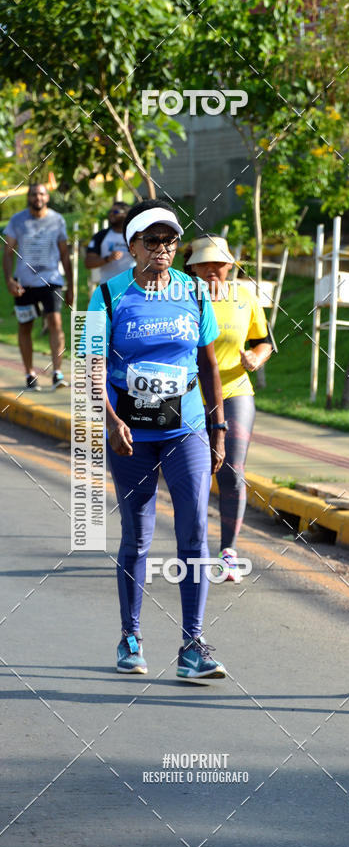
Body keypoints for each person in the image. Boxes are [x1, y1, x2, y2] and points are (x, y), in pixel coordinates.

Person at [86, 200, 228, 680]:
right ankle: (131, 637)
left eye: (170, 240)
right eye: (152, 241)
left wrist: (218, 428)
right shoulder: (107, 296)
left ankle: (193, 645)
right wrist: (110, 420)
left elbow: (208, 364)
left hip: (186, 427)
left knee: (195, 532)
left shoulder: (195, 291)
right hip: (131, 432)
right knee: (138, 535)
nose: (163, 249)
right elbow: (91, 368)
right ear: (132, 247)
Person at [186, 236, 273, 583]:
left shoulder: (245, 296)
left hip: (235, 391)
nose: (212, 270)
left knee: (232, 471)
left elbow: (264, 342)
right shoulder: (179, 296)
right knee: (192, 474)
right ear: (192, 266)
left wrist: (255, 357)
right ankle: (193, 549)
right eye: (204, 263)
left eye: (219, 264)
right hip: (190, 395)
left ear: (230, 267)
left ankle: (228, 554)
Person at [3, 182, 73, 390]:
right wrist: (9, 280)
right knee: (25, 326)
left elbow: (64, 254)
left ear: (47, 197)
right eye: (34, 194)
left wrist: (70, 285)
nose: (38, 198)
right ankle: (29, 373)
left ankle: (57, 373)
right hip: (24, 283)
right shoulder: (17, 220)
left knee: (55, 322)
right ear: (29, 197)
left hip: (51, 280)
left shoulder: (57, 220)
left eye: (41, 194)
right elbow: (7, 253)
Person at [85, 201, 135, 285]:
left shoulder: (134, 235)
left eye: (115, 212)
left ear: (126, 214)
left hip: (132, 285)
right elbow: (88, 263)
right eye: (110, 211)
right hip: (108, 286)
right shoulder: (101, 236)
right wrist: (107, 259)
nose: (111, 214)